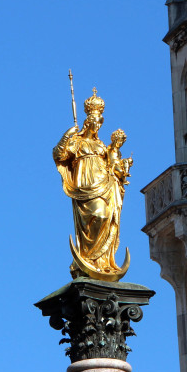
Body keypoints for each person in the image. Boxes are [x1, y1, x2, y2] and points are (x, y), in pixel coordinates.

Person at [53, 90, 130, 280]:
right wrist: (66, 136)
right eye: (95, 122)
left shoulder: (103, 146)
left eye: (100, 122)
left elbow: (113, 165)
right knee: (92, 218)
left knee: (104, 216)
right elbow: (59, 155)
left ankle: (101, 261)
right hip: (84, 186)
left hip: (103, 183)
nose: (98, 126)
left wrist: (121, 167)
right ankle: (87, 257)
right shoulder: (77, 143)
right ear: (88, 122)